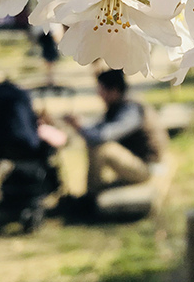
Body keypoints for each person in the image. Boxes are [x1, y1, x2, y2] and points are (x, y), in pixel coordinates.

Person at [63, 69, 168, 207]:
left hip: (147, 168)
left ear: (113, 90)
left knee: (101, 148)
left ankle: (89, 198)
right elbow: (99, 127)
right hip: (141, 163)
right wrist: (77, 125)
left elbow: (103, 135)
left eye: (101, 89)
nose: (98, 94)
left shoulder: (130, 109)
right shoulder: (121, 104)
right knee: (97, 144)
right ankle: (91, 195)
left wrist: (80, 127)